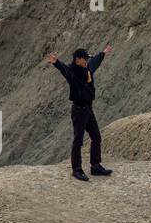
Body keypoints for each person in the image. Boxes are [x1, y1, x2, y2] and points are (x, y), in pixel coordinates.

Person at [46, 45, 113, 181]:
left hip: (88, 109)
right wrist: (56, 62)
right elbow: (64, 69)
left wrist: (103, 53)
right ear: (78, 60)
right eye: (85, 59)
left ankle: (95, 166)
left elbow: (95, 61)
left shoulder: (87, 68)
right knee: (78, 141)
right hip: (78, 110)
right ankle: (77, 169)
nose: (87, 61)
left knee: (96, 137)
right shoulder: (73, 72)